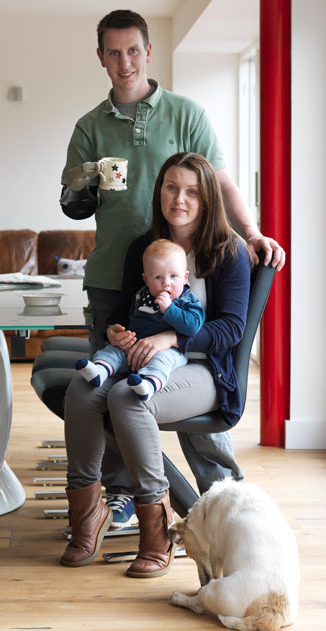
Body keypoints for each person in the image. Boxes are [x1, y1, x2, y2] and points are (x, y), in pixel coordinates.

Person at [59, 9, 284, 528]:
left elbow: (219, 183)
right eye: (113, 53)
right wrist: (81, 186)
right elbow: (74, 206)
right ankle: (120, 498)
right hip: (118, 276)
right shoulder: (89, 127)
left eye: (133, 50)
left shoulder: (186, 114)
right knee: (115, 387)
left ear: (148, 52)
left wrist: (250, 234)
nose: (124, 62)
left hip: (189, 275)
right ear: (101, 59)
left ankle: (223, 495)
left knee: (184, 380)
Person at [60, 152, 251, 578]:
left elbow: (231, 329)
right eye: (170, 187)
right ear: (159, 191)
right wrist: (117, 332)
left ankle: (156, 530)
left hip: (203, 370)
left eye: (191, 191)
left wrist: (170, 337)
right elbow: (126, 312)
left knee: (129, 399)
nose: (178, 199)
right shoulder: (141, 249)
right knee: (82, 389)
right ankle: (88, 515)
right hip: (141, 360)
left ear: (207, 199)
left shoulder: (228, 252)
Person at [75, 239, 204, 402]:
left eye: (173, 276)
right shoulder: (142, 294)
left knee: (162, 362)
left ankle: (148, 385)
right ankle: (100, 371)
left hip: (169, 351)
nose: (166, 283)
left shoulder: (187, 300)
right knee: (111, 352)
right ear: (146, 280)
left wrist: (170, 309)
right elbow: (130, 316)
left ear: (185, 277)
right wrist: (122, 334)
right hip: (134, 347)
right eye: (158, 277)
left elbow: (193, 327)